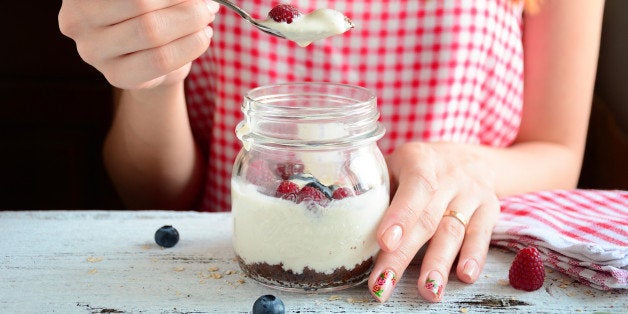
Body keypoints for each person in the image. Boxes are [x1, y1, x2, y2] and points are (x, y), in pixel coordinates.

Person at [58, 0, 605, 303]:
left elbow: (558, 150)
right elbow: (150, 193)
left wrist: (469, 165)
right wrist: (151, 76)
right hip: (219, 284)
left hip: (448, 277)